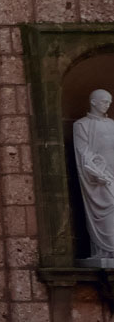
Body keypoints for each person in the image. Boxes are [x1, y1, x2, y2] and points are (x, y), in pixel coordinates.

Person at [74, 88, 114, 264]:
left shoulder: (112, 124)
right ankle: (105, 250)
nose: (108, 105)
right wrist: (96, 172)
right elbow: (83, 152)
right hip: (98, 177)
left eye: (109, 102)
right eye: (105, 101)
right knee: (109, 206)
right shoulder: (81, 125)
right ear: (93, 102)